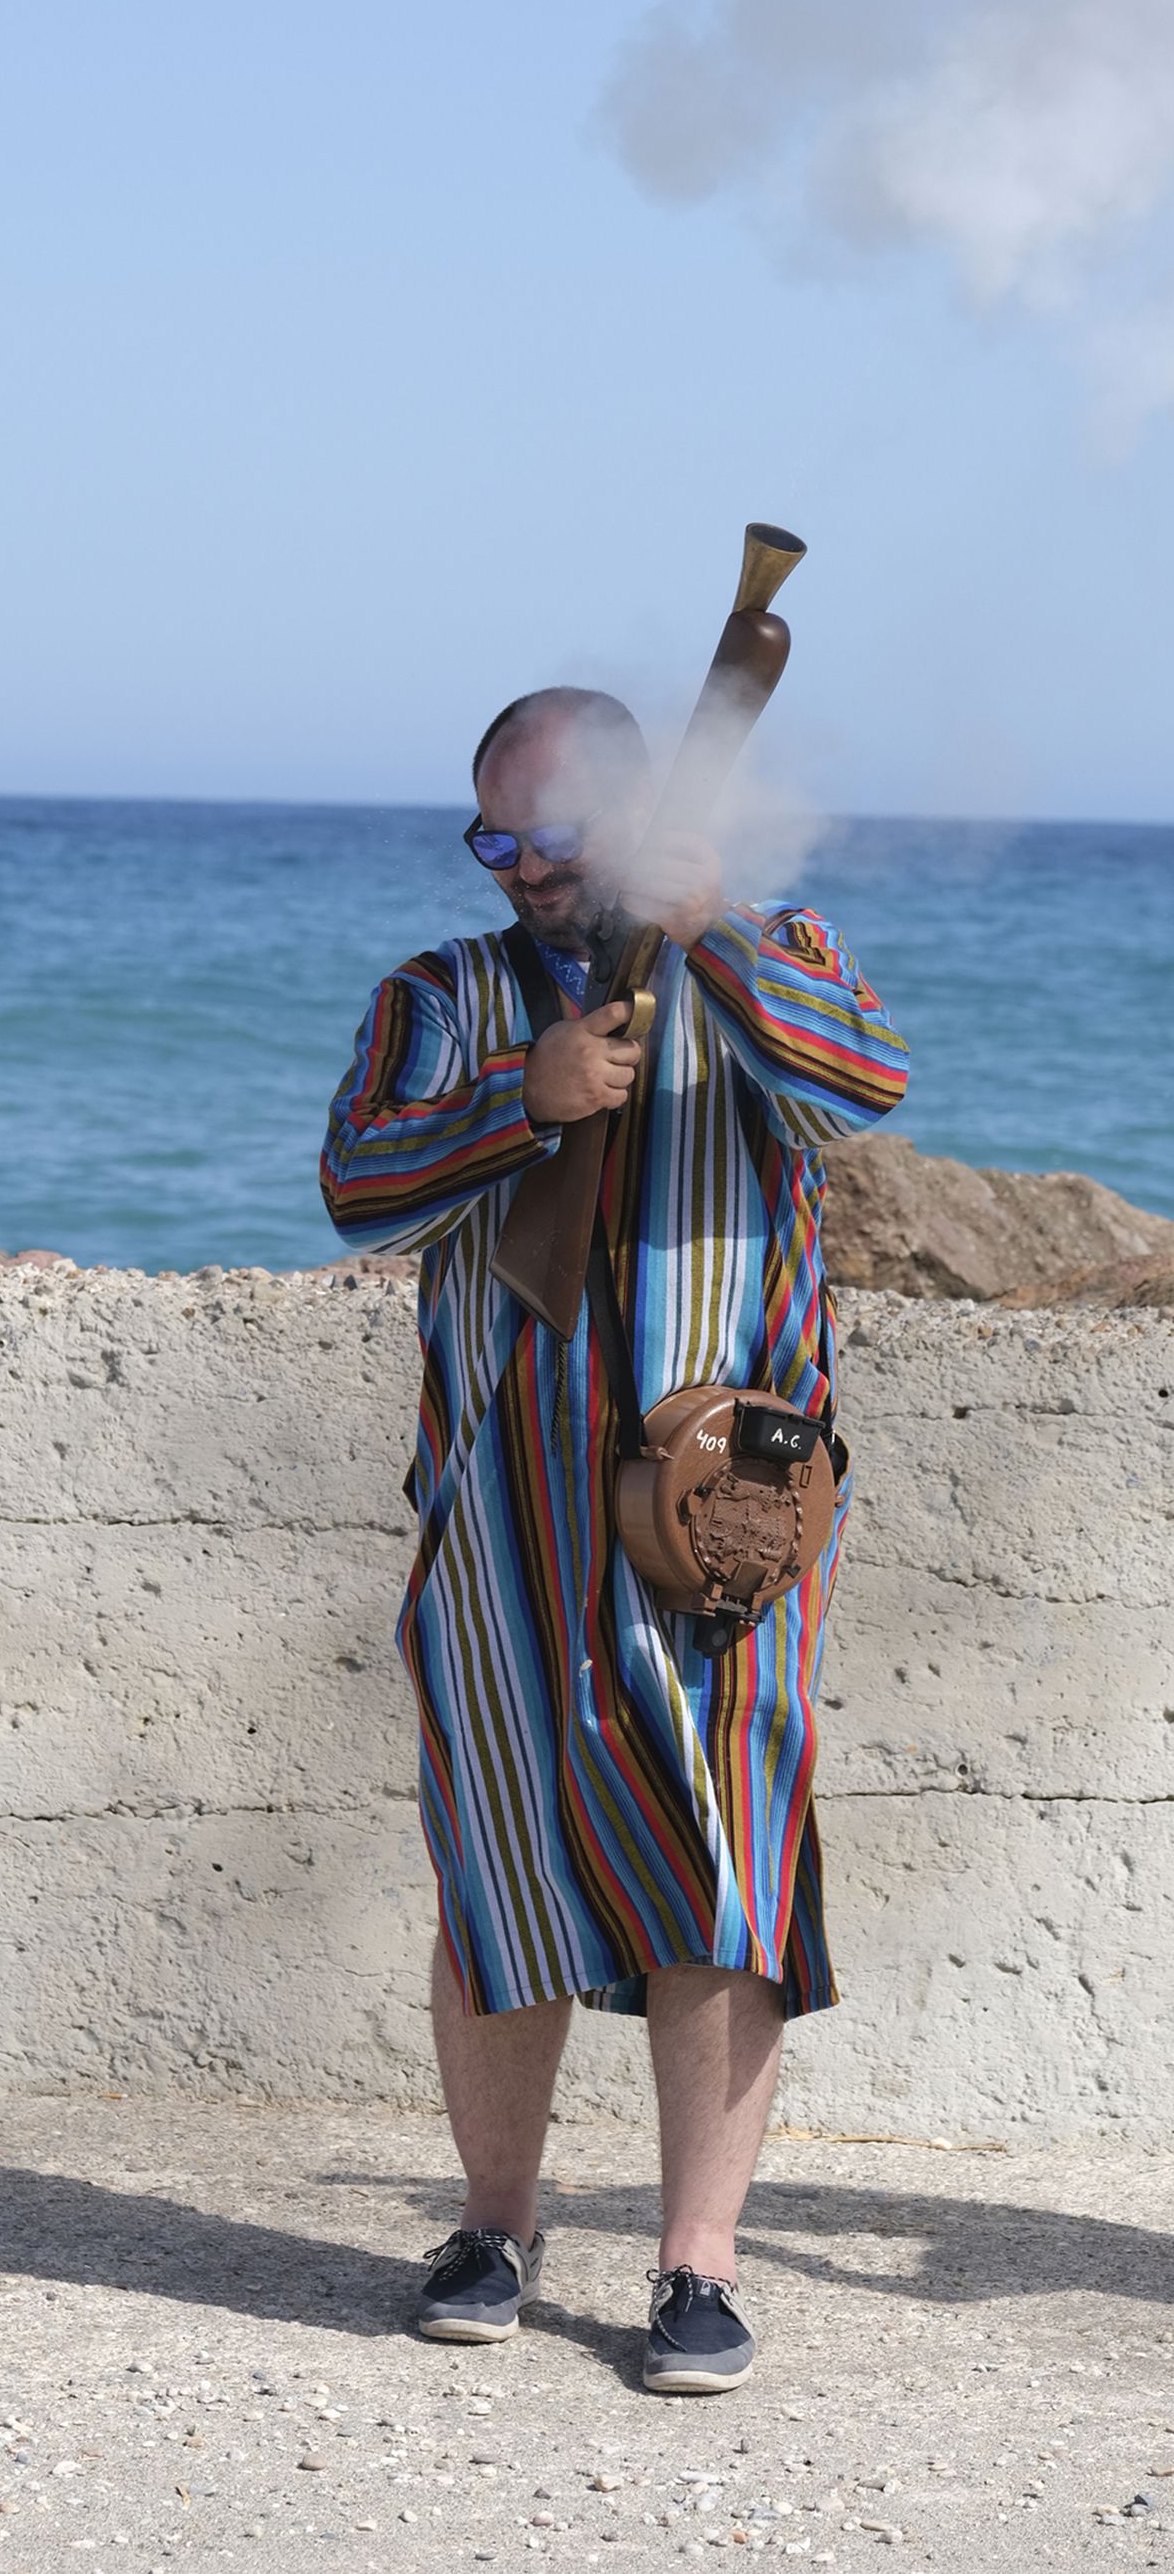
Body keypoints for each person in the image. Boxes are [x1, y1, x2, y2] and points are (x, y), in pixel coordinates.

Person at [320, 685, 908, 2394]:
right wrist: (528, 1093)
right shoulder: (442, 997)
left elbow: (864, 1078)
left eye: (558, 835)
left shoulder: (771, 946)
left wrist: (712, 929)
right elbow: (359, 1183)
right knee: (500, 1867)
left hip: (727, 1526)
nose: (524, 868)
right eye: (496, 839)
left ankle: (698, 2265)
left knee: (725, 1881)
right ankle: (493, 2228)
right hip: (502, 1525)